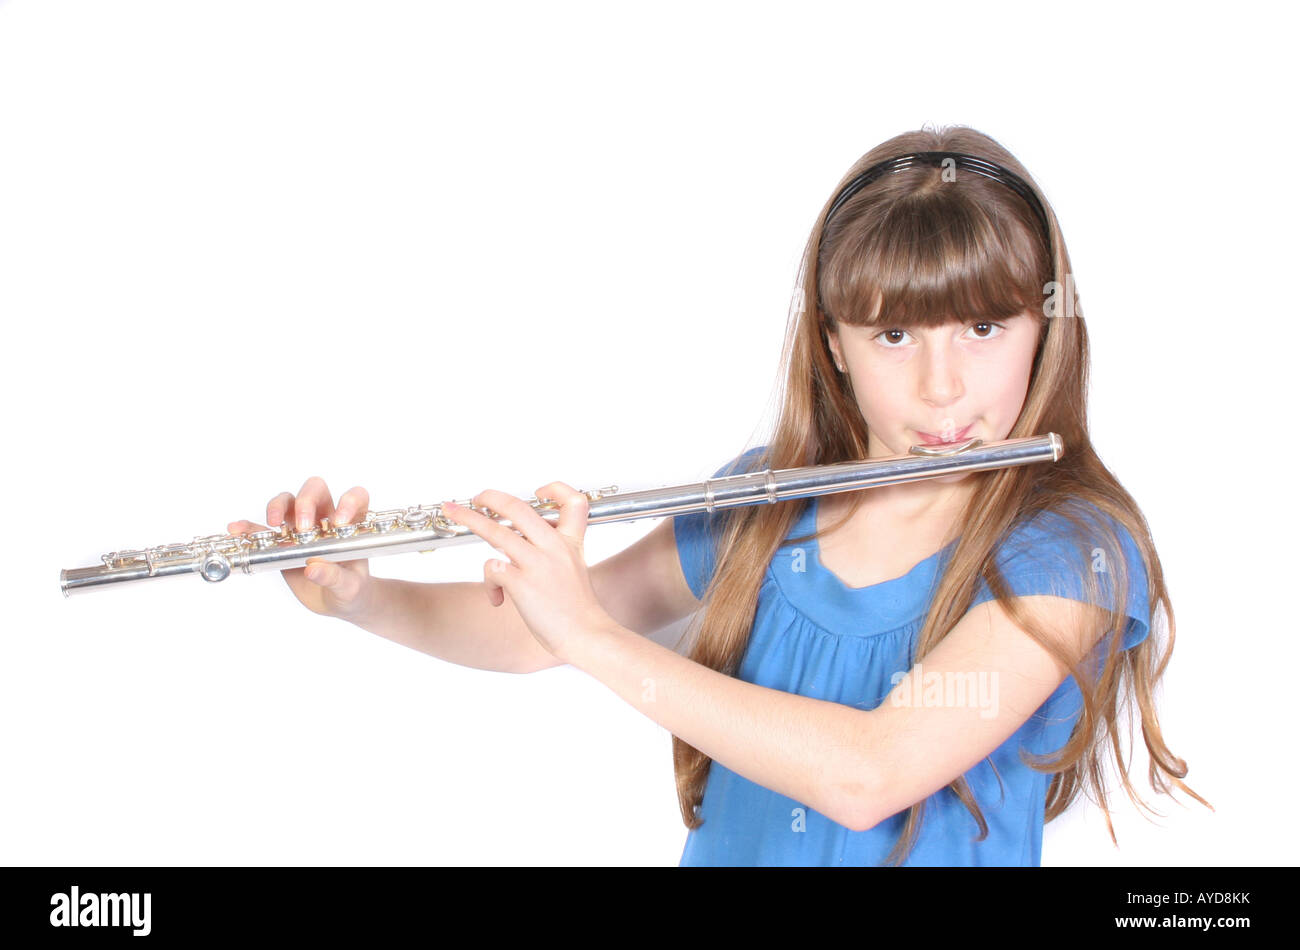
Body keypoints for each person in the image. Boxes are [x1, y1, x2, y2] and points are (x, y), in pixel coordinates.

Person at [227, 125, 1210, 866]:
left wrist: (594, 638)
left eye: (984, 329)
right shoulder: (765, 499)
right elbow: (535, 629)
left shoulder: (1072, 545)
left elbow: (868, 773)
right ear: (833, 341)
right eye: (896, 336)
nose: (944, 388)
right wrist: (361, 595)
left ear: (1044, 329)